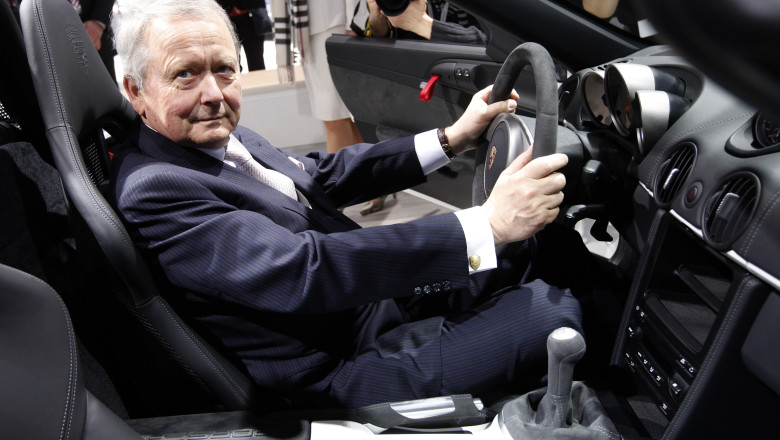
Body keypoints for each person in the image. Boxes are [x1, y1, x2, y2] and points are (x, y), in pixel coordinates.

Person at [110, 0, 582, 409]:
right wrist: (489, 225)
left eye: (223, 69)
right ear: (136, 91)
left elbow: (317, 177)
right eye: (185, 74)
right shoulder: (156, 189)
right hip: (335, 368)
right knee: (555, 315)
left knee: (544, 249)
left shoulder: (218, 137)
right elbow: (303, 270)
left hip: (366, 307)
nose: (213, 94)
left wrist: (452, 137)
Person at [271, 0, 390, 215]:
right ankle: (379, 181)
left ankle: (334, 198)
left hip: (334, 23)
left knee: (334, 117)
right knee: (341, 116)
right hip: (306, 29)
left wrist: (354, 20)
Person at [356, 0, 487, 45]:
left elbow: (499, 45)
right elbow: (356, 49)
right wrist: (377, 21)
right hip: (399, 86)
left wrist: (421, 23)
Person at [216, 0, 269, 71]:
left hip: (250, 17)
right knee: (230, 61)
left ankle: (260, 80)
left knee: (256, 60)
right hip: (225, 19)